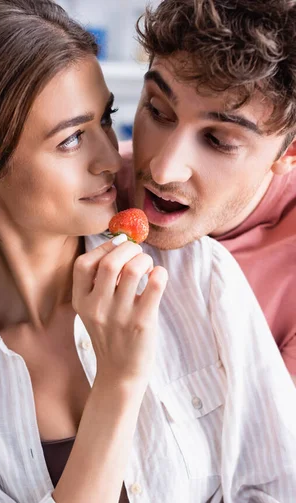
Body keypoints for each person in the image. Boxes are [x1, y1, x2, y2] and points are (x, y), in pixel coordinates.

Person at [0, 1, 295, 503]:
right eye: (72, 138)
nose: (118, 158)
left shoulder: (192, 274)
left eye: (106, 120)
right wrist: (119, 383)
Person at [117, 0, 296, 384]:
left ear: (290, 152)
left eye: (217, 140)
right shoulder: (91, 185)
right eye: (159, 111)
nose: (164, 169)